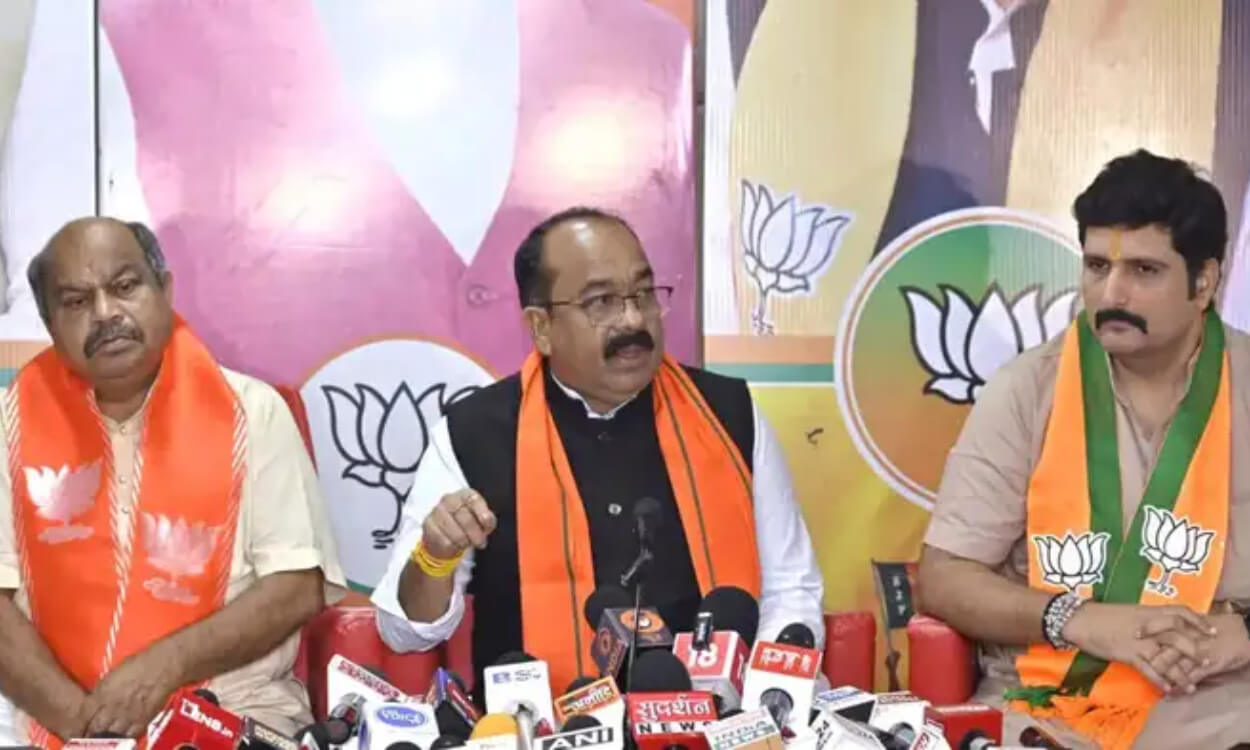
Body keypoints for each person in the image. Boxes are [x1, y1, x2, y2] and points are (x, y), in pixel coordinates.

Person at [371, 207, 824, 692]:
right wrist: (435, 556)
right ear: (541, 327)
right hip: (538, 724)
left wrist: (764, 700)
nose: (633, 319)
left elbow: (790, 591)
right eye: (601, 302)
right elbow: (404, 632)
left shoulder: (730, 414)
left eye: (643, 294)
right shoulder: (472, 434)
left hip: (716, 718)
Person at [918, 149, 1250, 749]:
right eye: (1097, 266)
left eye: (1144, 271)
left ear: (1204, 282)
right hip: (1049, 711)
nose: (1111, 293)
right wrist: (1077, 619)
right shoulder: (1027, 389)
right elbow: (945, 578)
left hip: (1221, 706)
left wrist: (1244, 633)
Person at [0, 217, 346, 745]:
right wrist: (84, 725)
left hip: (227, 708)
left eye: (124, 286)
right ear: (50, 324)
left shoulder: (251, 412)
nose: (105, 313)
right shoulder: (11, 425)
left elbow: (295, 588)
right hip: (49, 720)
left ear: (164, 290)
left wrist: (163, 669)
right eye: (76, 301)